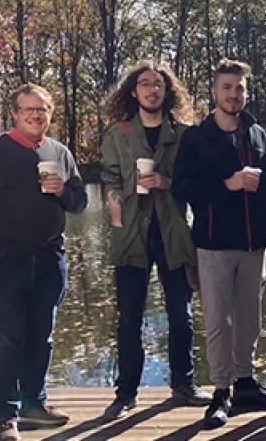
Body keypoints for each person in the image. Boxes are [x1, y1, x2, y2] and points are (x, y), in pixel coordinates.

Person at [0, 83, 89, 441]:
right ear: (15, 113)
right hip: (2, 262)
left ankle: (34, 404)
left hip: (50, 260)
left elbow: (80, 202)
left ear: (50, 112)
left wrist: (64, 190)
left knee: (41, 338)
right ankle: (4, 416)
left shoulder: (59, 152)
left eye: (42, 109)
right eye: (28, 109)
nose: (36, 115)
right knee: (5, 342)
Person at [172, 59, 266, 429]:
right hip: (214, 242)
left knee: (250, 318)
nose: (234, 95)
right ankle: (221, 391)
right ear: (214, 93)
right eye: (227, 88)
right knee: (219, 319)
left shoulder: (257, 134)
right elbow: (183, 187)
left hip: (255, 244)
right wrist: (227, 184)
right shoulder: (195, 137)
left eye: (239, 89)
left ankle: (246, 382)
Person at [99, 62, 210, 420]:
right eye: (144, 84)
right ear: (133, 91)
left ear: (167, 91)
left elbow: (196, 183)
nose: (151, 90)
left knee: (181, 313)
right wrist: (124, 192)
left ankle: (184, 384)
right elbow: (110, 183)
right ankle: (126, 393)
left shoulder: (184, 133)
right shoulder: (119, 133)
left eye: (158, 84)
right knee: (129, 317)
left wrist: (166, 183)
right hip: (132, 236)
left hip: (174, 234)